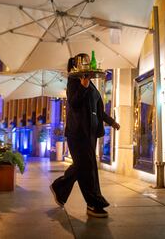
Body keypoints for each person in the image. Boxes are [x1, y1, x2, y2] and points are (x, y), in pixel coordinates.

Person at [50, 54, 120, 218]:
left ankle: (60, 188)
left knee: (85, 167)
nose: (87, 63)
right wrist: (83, 86)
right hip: (78, 133)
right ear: (76, 64)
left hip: (90, 134)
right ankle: (93, 203)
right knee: (86, 168)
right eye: (84, 61)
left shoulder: (93, 87)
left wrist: (112, 122)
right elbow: (73, 104)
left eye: (88, 60)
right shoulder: (73, 82)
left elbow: (99, 111)